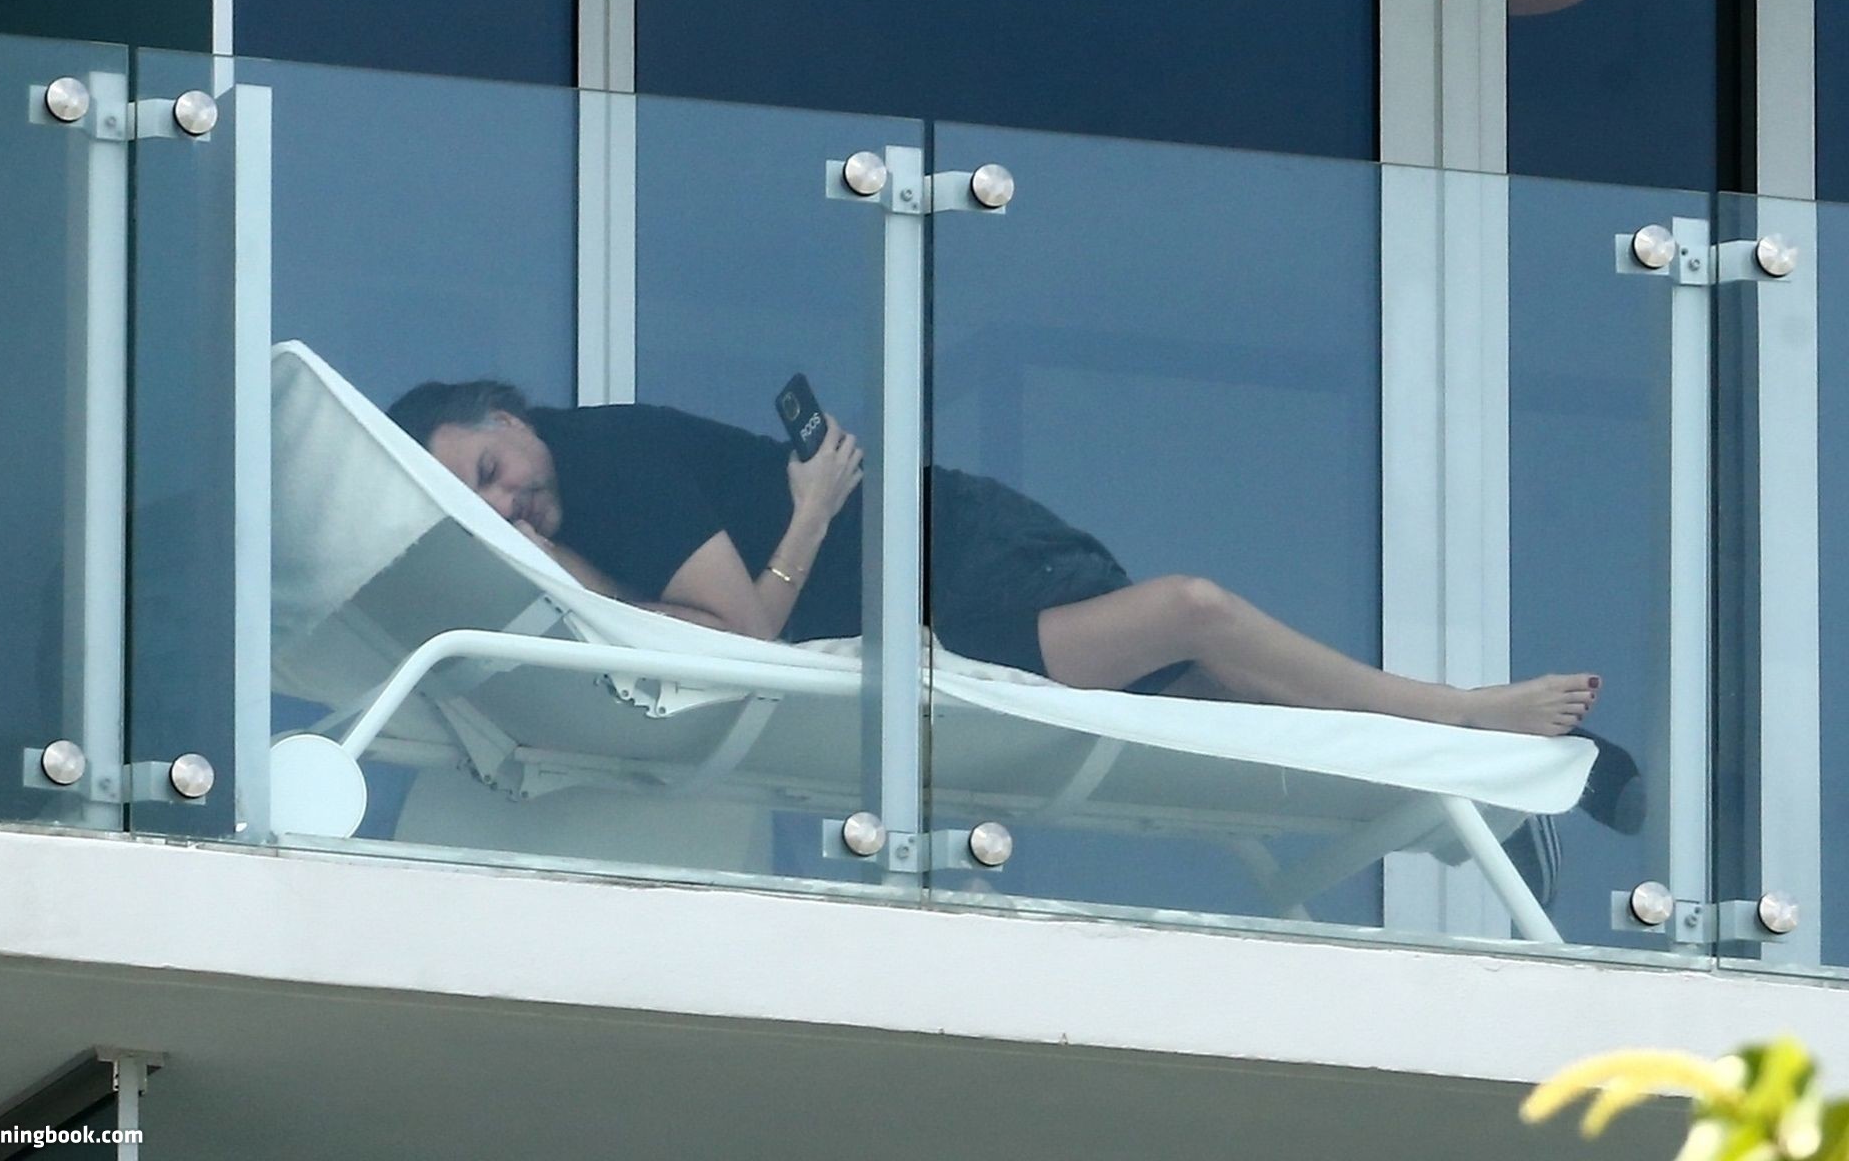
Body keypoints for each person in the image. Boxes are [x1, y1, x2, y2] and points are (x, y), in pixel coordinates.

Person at [386, 378, 1605, 741]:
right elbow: (695, 633)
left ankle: (1458, 712)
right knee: (1203, 681)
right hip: (936, 610)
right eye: (478, 500)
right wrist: (572, 568)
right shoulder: (570, 525)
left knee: (1192, 616)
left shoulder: (605, 463)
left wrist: (809, 515)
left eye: (490, 467)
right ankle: (1475, 753)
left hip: (958, 564)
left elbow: (742, 638)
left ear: (511, 414)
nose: (507, 500)